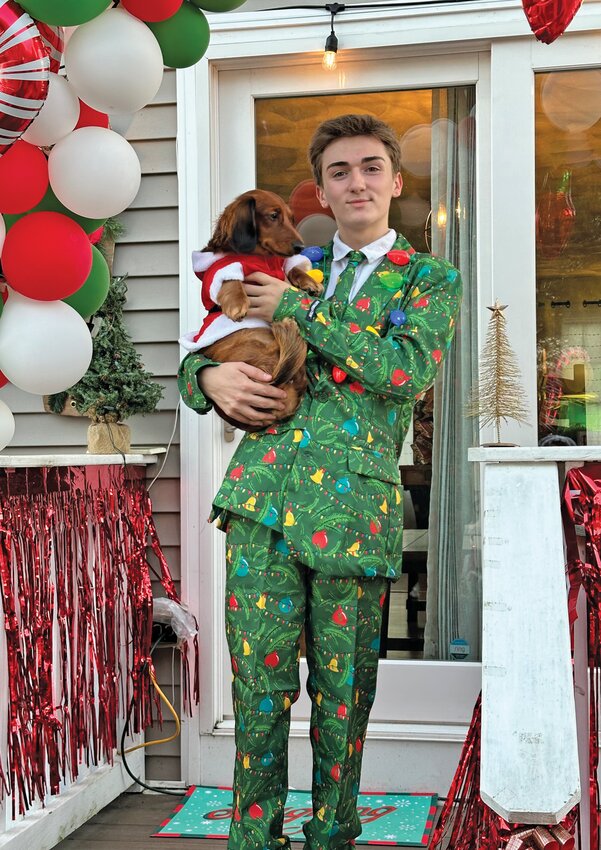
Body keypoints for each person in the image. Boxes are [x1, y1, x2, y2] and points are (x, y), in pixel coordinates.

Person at [178, 114, 462, 850]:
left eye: (370, 167)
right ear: (324, 191)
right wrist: (207, 377)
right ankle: (252, 839)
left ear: (395, 183)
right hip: (259, 506)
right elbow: (201, 347)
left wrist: (303, 310)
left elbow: (404, 372)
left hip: (354, 517)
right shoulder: (283, 262)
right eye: (339, 172)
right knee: (259, 696)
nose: (356, 181)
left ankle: (331, 836)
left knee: (343, 701)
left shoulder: (428, 278)